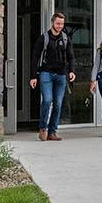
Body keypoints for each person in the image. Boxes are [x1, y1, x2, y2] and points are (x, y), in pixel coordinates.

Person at [29, 12, 75, 141]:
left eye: (62, 24)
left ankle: (52, 132)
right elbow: (35, 58)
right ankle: (43, 128)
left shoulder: (66, 39)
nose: (60, 26)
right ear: (52, 23)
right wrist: (33, 76)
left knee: (58, 104)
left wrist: (71, 71)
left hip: (61, 75)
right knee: (47, 100)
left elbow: (71, 57)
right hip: (46, 74)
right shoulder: (44, 38)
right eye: (58, 23)